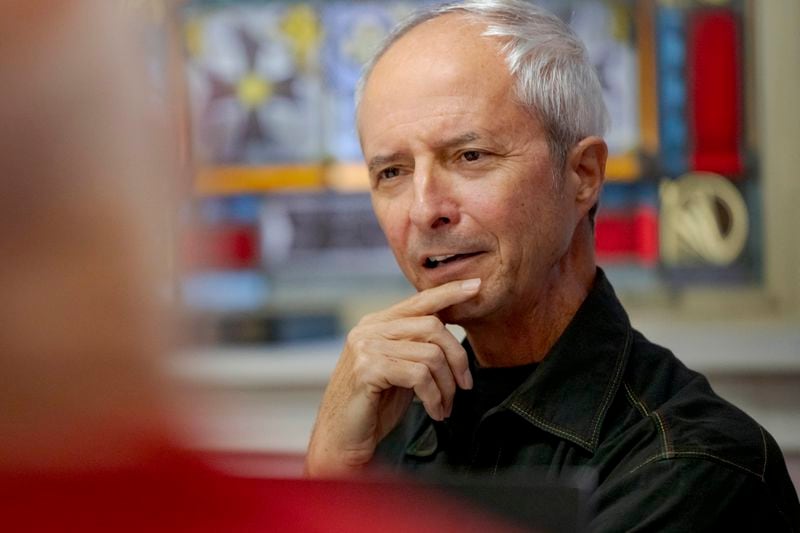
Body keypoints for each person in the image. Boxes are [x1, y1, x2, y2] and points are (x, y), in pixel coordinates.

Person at [305, 1, 800, 530]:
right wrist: (328, 474)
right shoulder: (388, 424)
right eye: (392, 172)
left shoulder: (688, 465)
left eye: (470, 156)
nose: (425, 209)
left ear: (583, 175)